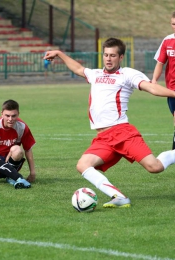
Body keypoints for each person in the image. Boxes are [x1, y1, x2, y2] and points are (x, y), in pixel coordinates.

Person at [44, 37, 175, 208]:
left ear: (121, 57)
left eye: (113, 55)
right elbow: (78, 68)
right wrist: (60, 54)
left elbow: (151, 87)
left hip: (122, 133)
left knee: (155, 167)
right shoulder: (96, 74)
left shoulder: (128, 74)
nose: (108, 58)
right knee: (83, 165)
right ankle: (119, 197)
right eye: (106, 55)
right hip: (103, 137)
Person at [152, 11, 175, 149]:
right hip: (172, 91)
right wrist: (154, 80)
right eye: (173, 24)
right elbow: (160, 63)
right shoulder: (167, 41)